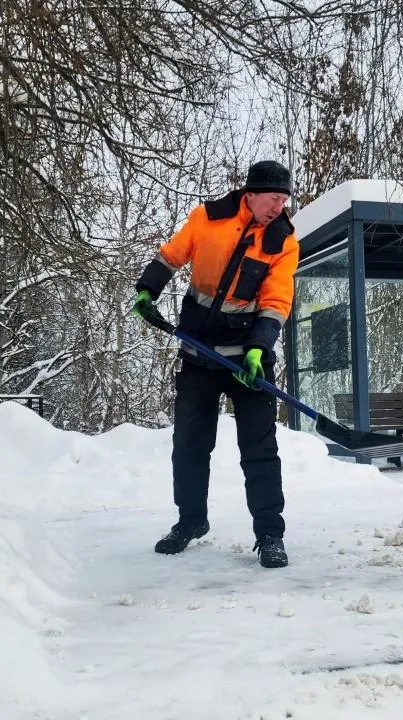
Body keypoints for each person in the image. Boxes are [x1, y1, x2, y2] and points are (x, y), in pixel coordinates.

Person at [131, 160, 300, 569]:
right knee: (189, 445)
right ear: (251, 193)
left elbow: (277, 301)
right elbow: (171, 256)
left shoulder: (283, 241)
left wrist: (258, 348)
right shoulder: (208, 218)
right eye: (273, 198)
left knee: (259, 449)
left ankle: (269, 534)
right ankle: (190, 522)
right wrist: (146, 290)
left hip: (249, 361)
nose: (279, 206)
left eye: (284, 199)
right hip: (198, 353)